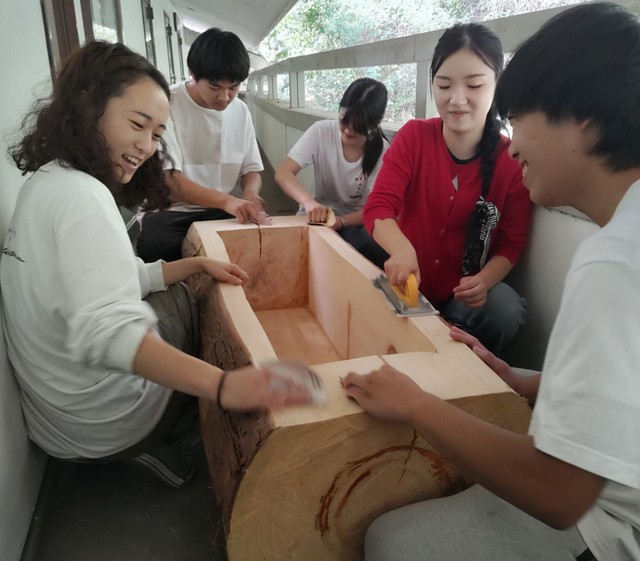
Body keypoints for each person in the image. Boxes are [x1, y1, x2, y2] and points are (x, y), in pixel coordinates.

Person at [345, 3, 640, 560]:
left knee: (384, 537)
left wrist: (416, 405)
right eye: (444, 84)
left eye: (516, 109)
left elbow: (560, 494)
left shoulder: (614, 259)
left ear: (581, 117)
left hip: (610, 531)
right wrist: (526, 382)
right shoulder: (415, 138)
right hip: (419, 292)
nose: (515, 138)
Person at [0, 41, 311, 488]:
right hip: (105, 426)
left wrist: (193, 265)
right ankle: (164, 436)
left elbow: (99, 285)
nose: (147, 146)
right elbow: (110, 334)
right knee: (193, 306)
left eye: (157, 134)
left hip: (55, 419)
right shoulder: (84, 198)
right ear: (89, 107)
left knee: (185, 283)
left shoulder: (47, 180)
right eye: (137, 124)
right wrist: (225, 386)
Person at [363, 24, 531, 355]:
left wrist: (485, 280)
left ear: (497, 85)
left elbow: (511, 243)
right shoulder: (413, 136)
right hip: (406, 285)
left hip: (465, 302)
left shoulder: (511, 160)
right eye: (443, 85)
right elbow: (379, 207)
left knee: (507, 307)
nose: (456, 100)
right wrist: (402, 250)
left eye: (474, 85)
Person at [136, 28, 269, 263]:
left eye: (234, 88)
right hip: (170, 211)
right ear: (193, 74)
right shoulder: (167, 103)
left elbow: (252, 169)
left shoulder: (240, 111)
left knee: (259, 247)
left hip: (220, 209)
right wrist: (228, 201)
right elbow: (170, 182)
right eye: (215, 87)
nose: (225, 97)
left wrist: (249, 193)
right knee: (159, 248)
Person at [275, 78, 390, 265]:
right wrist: (309, 203)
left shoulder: (383, 153)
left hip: (353, 224)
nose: (348, 131)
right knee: (288, 255)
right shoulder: (321, 132)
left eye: (358, 127)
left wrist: (341, 221)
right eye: (344, 120)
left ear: (374, 125)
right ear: (339, 110)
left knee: (375, 247)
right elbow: (283, 173)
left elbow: (375, 209)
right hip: (315, 218)